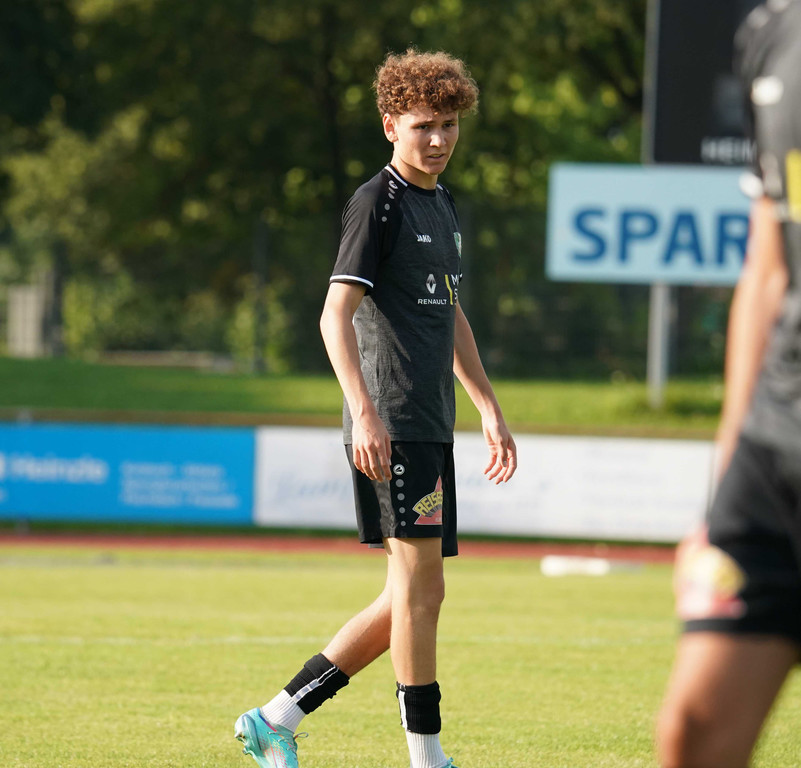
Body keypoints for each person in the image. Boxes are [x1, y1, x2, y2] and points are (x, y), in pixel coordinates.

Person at [234, 49, 517, 768]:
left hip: (430, 422)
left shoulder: (442, 203)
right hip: (391, 424)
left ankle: (273, 719)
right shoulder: (378, 202)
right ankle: (427, 757)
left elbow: (450, 313)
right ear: (391, 125)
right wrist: (363, 413)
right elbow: (333, 315)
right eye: (423, 126)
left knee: (411, 597)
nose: (439, 139)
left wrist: (487, 406)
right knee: (420, 595)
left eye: (449, 124)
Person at [657, 2, 801, 766]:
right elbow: (767, 267)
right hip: (777, 442)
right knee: (694, 731)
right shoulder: (772, 35)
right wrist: (720, 489)